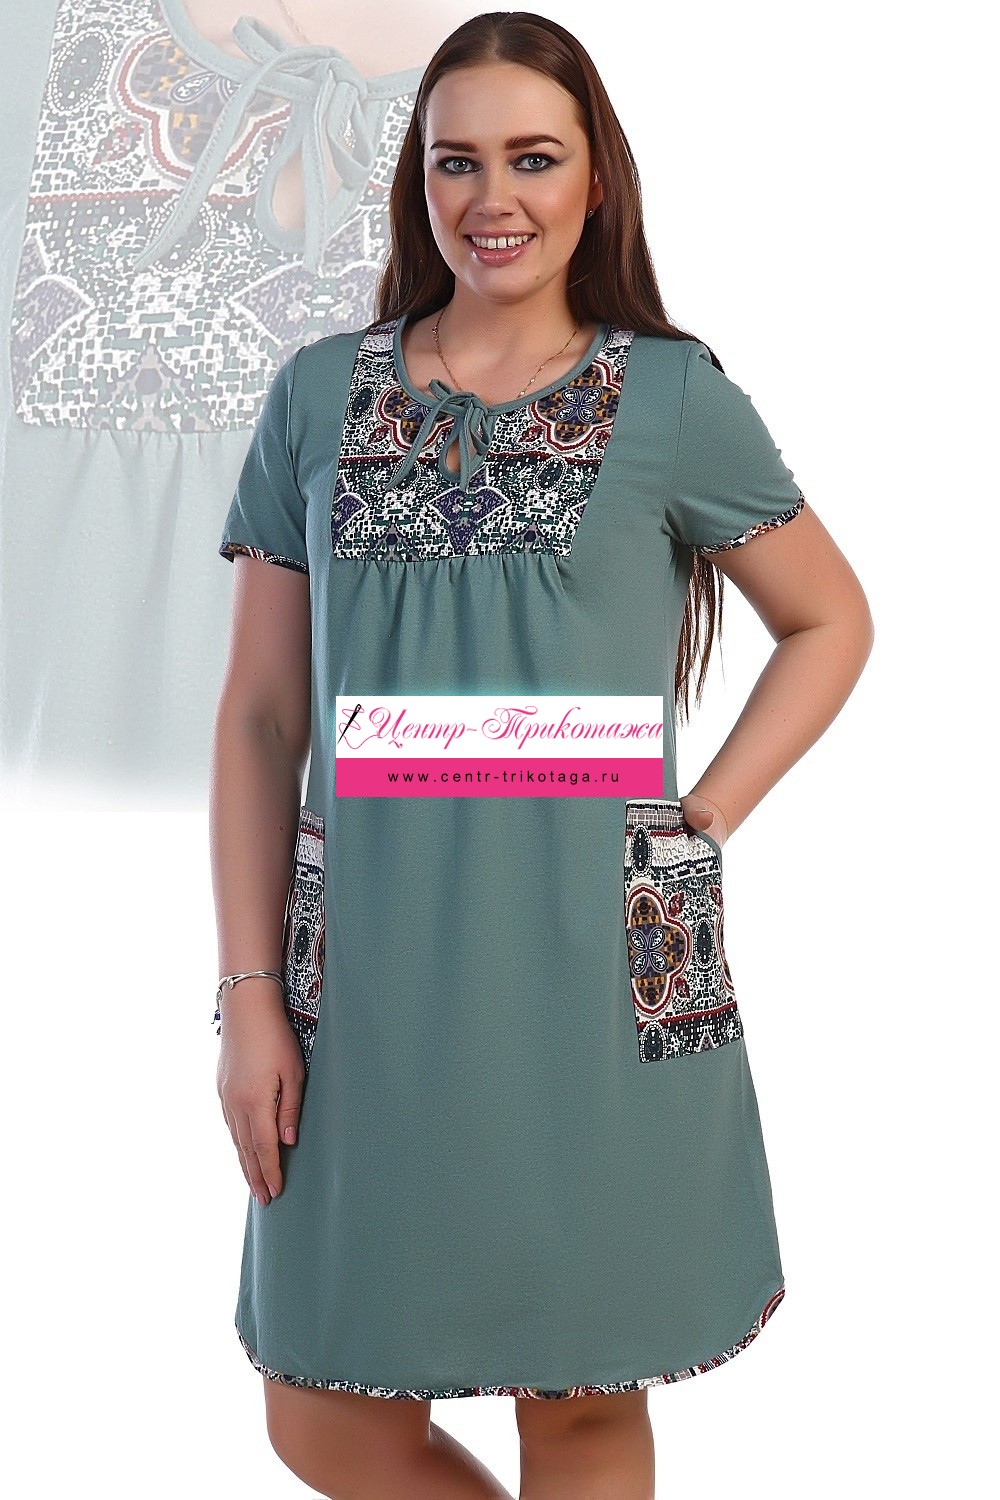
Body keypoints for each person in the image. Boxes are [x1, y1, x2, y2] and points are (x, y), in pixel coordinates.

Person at [210, 12, 874, 1499]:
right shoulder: (315, 395)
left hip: (593, 963)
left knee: (577, 1400)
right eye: (457, 161)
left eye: (533, 157)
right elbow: (260, 717)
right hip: (359, 987)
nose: (492, 197)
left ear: (594, 180)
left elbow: (830, 620)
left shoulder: (673, 399)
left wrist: (696, 824)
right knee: (321, 1409)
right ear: (418, 180)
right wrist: (248, 995)